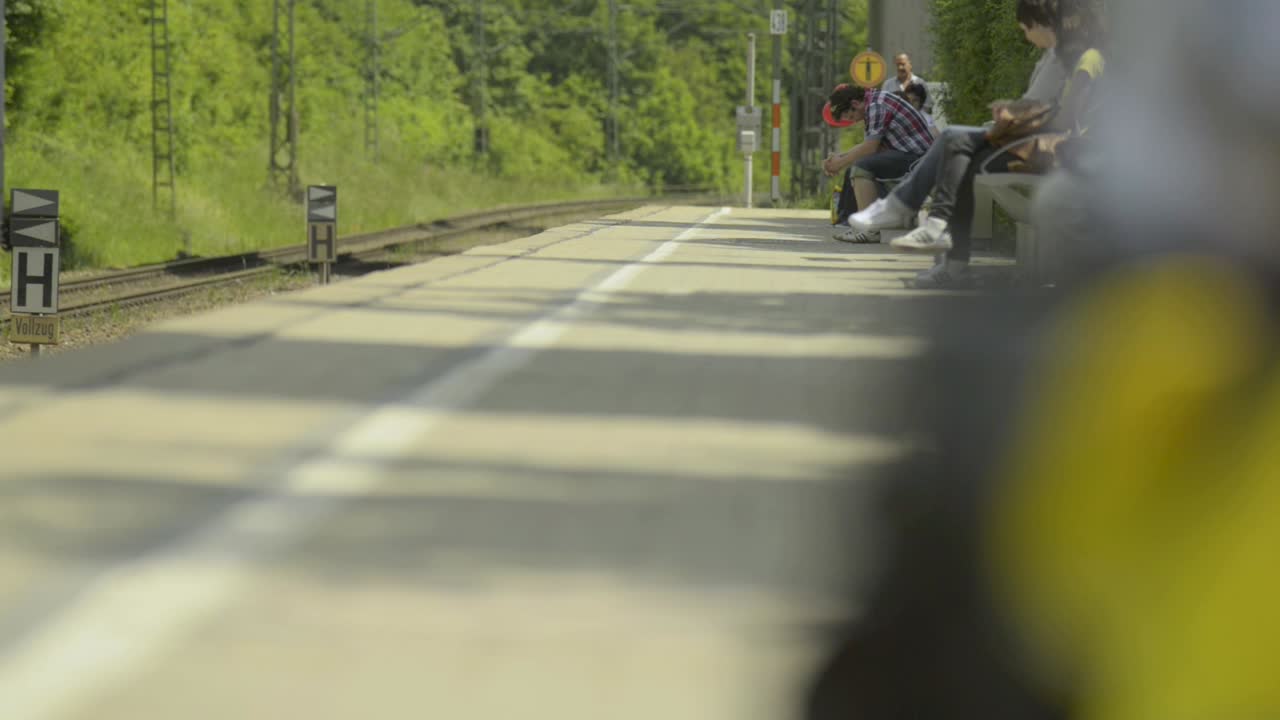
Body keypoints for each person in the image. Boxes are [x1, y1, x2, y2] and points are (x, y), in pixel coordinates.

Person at [846, 0, 1078, 287]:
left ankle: (914, 214)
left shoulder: (1067, 58)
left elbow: (1055, 111)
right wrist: (1011, 112)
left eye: (1025, 29)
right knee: (957, 159)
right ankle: (949, 261)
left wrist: (1013, 114)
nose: (1025, 36)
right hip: (1026, 138)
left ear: (1040, 24)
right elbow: (1039, 105)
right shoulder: (1054, 55)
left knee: (952, 138)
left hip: (1039, 145)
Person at [821, 83, 935, 243]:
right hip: (909, 155)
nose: (854, 121)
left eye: (851, 117)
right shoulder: (873, 103)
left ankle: (868, 230)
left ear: (855, 104)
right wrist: (839, 158)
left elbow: (870, 147)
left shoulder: (876, 106)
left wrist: (839, 163)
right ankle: (865, 228)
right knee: (861, 166)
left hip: (917, 159)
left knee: (861, 167)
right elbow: (871, 146)